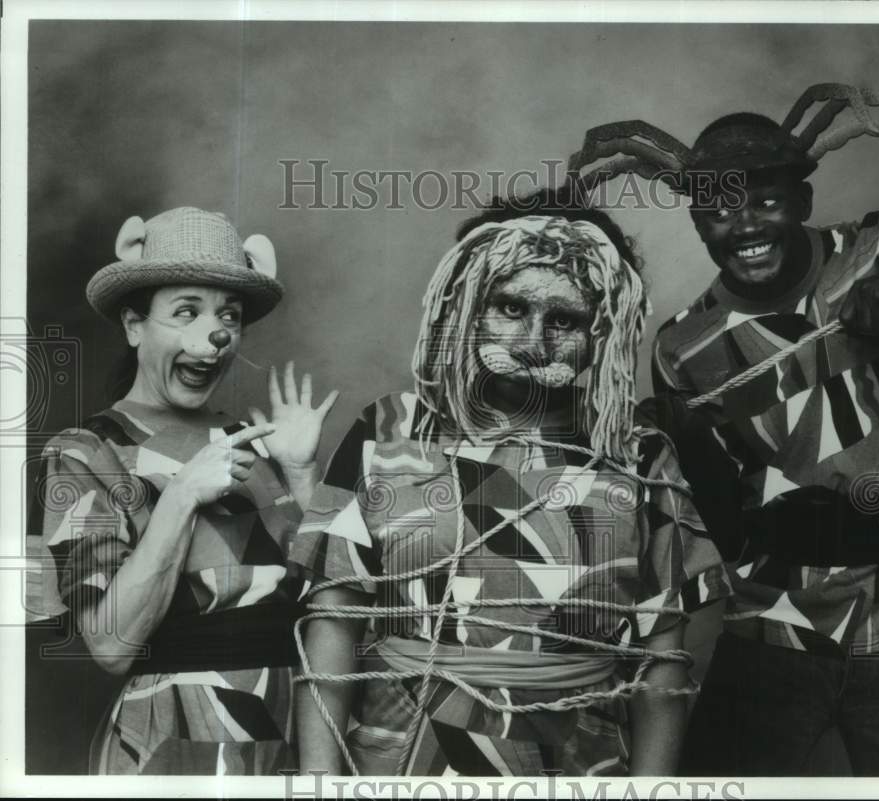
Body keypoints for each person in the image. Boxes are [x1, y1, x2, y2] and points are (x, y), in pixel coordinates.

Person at [567, 86, 879, 775]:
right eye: (720, 208)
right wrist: (680, 442)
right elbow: (727, 527)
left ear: (805, 202)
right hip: (772, 622)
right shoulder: (683, 347)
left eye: (766, 200)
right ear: (697, 220)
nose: (745, 224)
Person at [291, 195, 730, 777]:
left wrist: (650, 793)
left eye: (564, 320)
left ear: (603, 330)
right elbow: (332, 620)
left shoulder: (637, 452)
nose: (533, 343)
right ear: (469, 307)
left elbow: (665, 655)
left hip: (577, 764)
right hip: (403, 757)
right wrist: (320, 784)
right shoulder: (391, 430)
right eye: (510, 308)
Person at [39, 206, 337, 775]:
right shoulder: (84, 452)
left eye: (229, 314)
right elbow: (111, 645)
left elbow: (333, 608)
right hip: (172, 745)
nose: (217, 333)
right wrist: (179, 497)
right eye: (186, 311)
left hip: (287, 739)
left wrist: (301, 476)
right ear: (134, 325)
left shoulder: (252, 443)